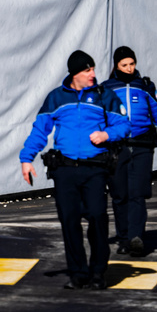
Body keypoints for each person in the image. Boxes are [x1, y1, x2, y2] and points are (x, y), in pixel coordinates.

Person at [20, 50, 130, 290]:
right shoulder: (56, 98)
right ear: (75, 74)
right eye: (87, 70)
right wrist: (26, 159)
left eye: (93, 69)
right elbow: (40, 130)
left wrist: (106, 134)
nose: (93, 74)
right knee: (69, 220)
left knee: (97, 216)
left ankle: (98, 272)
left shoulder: (104, 96)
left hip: (95, 168)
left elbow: (124, 125)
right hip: (65, 170)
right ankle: (78, 273)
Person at [103, 46, 157, 257]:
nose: (129, 68)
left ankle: (135, 237)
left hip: (142, 145)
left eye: (132, 64)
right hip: (117, 147)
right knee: (120, 194)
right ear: (116, 66)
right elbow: (98, 119)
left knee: (137, 193)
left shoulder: (144, 86)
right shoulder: (106, 88)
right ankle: (123, 238)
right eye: (124, 65)